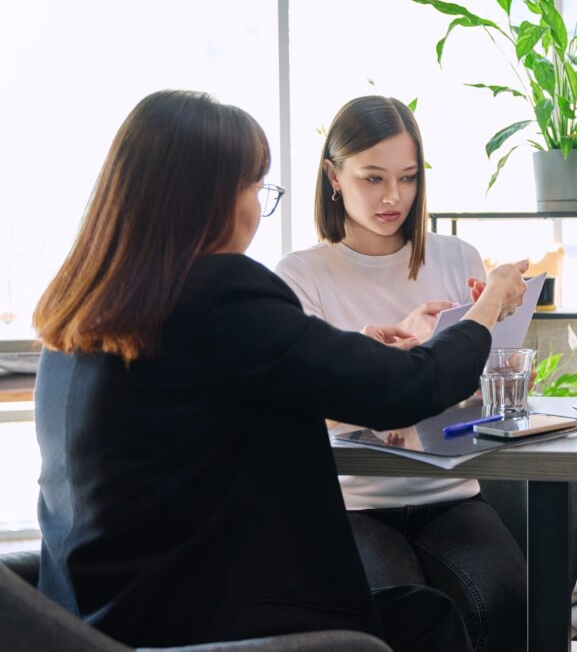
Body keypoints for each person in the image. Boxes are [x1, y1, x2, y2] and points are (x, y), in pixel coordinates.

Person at [31, 90, 528, 652]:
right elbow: (410, 390)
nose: (256, 208)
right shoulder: (220, 289)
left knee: (427, 612)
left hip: (95, 623)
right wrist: (490, 307)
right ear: (204, 195)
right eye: (253, 187)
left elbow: (216, 402)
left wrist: (350, 355)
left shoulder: (83, 307)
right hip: (206, 620)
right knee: (423, 622)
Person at [275, 95, 527, 652]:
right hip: (353, 501)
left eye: (408, 178)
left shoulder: (456, 256)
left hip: (449, 490)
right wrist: (397, 365)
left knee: (505, 594)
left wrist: (499, 348)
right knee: (402, 613)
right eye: (372, 178)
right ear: (332, 177)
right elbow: (298, 408)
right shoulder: (300, 276)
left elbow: (483, 388)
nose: (393, 197)